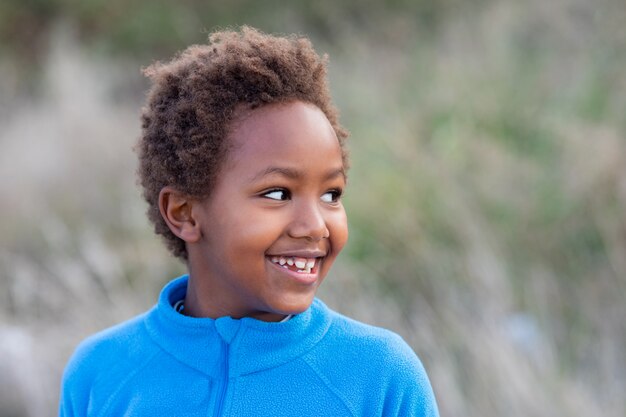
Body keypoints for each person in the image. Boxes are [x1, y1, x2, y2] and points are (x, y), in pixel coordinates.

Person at [58, 26, 439, 417]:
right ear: (184, 212)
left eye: (331, 194)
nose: (314, 226)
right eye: (277, 193)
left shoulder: (379, 376)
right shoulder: (101, 373)